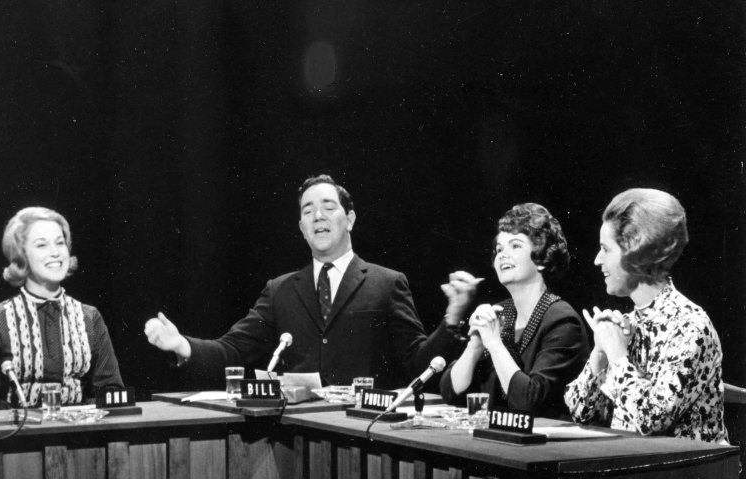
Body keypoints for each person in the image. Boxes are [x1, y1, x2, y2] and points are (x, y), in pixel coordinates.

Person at [143, 174, 480, 388]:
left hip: (362, 434)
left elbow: (418, 362)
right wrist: (181, 345)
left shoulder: (387, 283)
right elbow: (233, 350)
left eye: (328, 207)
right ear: (302, 228)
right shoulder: (280, 290)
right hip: (297, 437)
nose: (317, 215)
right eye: (308, 210)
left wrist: (452, 318)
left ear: (349, 219)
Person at [564, 188, 727, 442]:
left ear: (636, 251)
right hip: (635, 471)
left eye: (606, 249)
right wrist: (600, 352)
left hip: (689, 475)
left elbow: (651, 420)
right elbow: (579, 413)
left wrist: (618, 355)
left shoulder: (690, 325)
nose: (597, 260)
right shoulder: (629, 324)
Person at [0, 206, 123, 411]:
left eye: (60, 243)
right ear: (21, 257)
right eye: (41, 245)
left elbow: (112, 391)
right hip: (19, 437)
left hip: (83, 435)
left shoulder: (90, 317)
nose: (55, 253)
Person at [440, 203, 588, 418]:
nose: (502, 255)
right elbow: (451, 393)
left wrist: (493, 343)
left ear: (542, 259)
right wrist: (475, 346)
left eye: (515, 246)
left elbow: (529, 402)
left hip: (546, 447)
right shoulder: (502, 312)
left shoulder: (562, 320)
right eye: (499, 249)